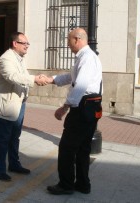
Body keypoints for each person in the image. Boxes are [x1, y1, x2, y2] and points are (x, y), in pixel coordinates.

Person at [45, 28, 103, 195]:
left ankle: (66, 184)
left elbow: (81, 86)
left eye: (69, 40)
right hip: (90, 106)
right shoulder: (85, 58)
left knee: (67, 148)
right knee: (83, 148)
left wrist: (64, 107)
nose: (67, 43)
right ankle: (83, 184)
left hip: (84, 107)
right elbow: (71, 77)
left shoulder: (87, 58)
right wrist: (51, 79)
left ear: (77, 39)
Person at [0, 32, 47, 181]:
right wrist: (34, 79)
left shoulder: (20, 59)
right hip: (6, 105)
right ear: (15, 43)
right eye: (24, 43)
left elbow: (22, 76)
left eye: (28, 43)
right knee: (2, 138)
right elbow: (12, 76)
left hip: (19, 104)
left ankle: (14, 164)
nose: (27, 46)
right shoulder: (6, 58)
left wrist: (35, 79)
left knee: (15, 137)